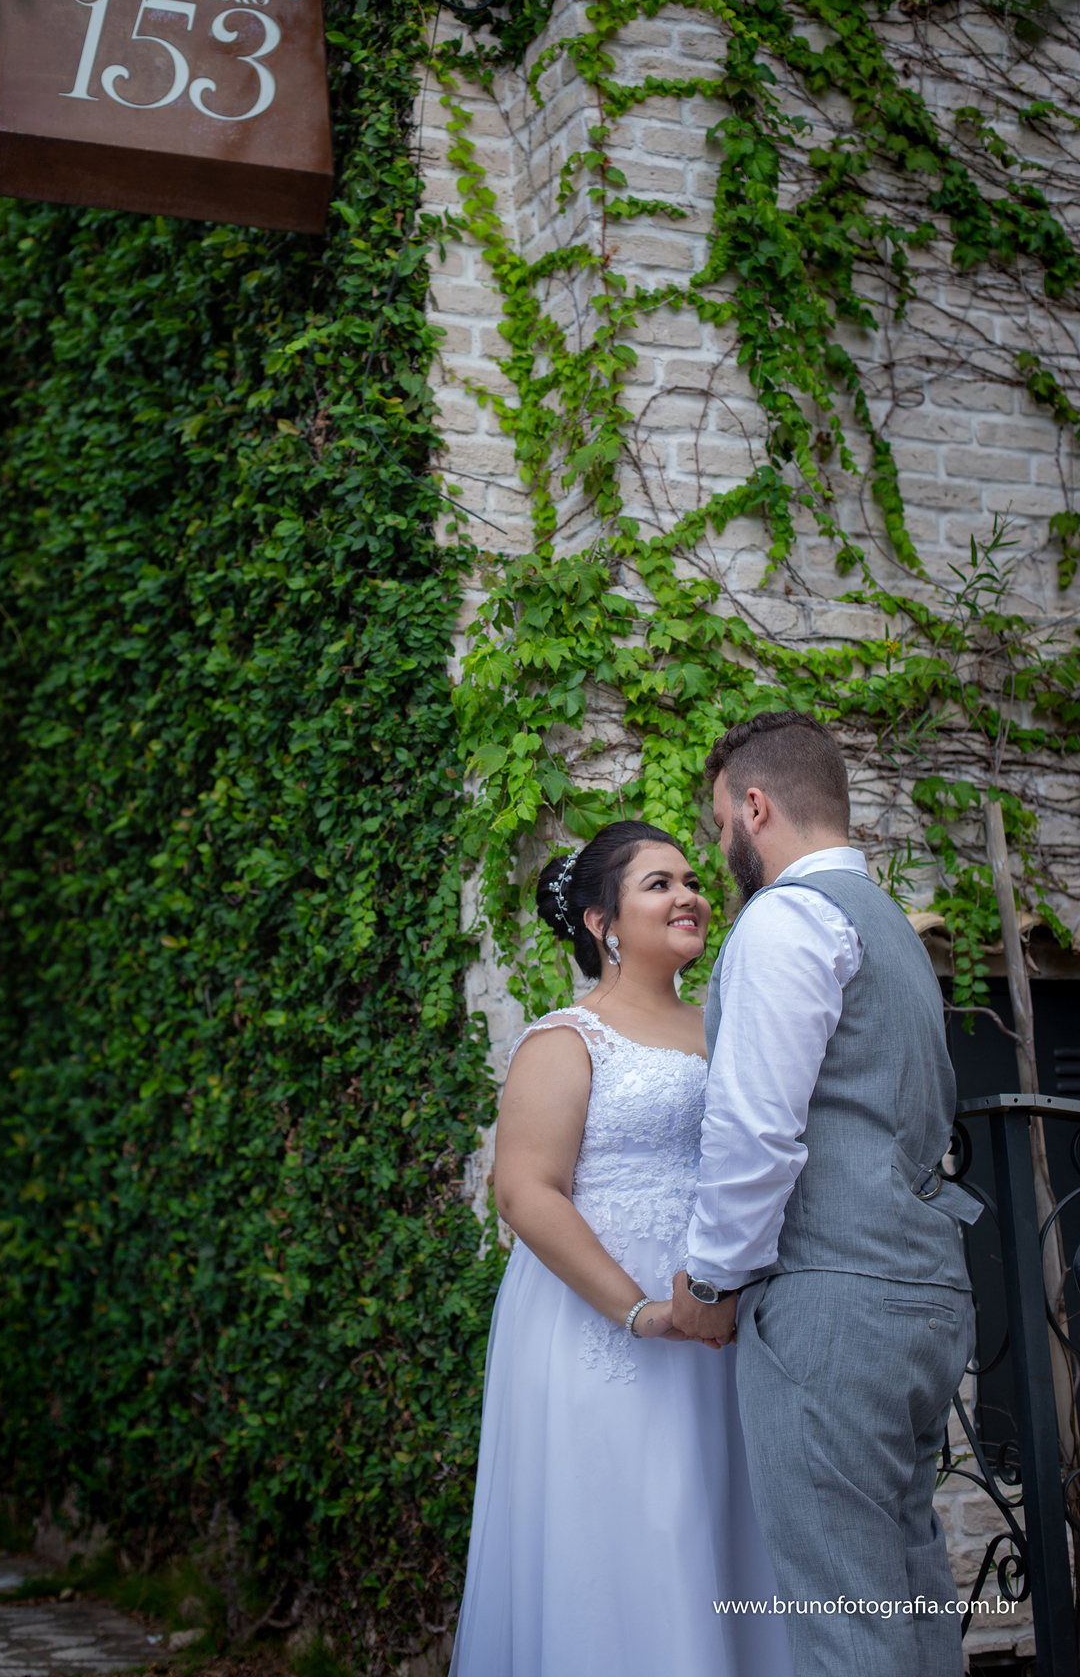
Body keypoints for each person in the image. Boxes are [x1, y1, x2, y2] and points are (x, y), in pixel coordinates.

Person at [670, 710, 981, 1677]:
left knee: (846, 1625)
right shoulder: (889, 928)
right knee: (912, 1595)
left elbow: (757, 1129)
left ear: (755, 808)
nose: (719, 847)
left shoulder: (786, 919)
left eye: (721, 822)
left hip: (831, 1307)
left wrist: (711, 1281)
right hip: (926, 1296)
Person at [449, 820, 793, 1677]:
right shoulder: (566, 1039)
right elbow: (525, 1191)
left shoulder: (724, 1028)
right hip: (608, 1326)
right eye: (659, 884)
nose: (689, 897)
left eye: (691, 880)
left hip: (721, 1319)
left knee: (722, 1520)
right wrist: (637, 1312)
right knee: (636, 1525)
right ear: (602, 922)